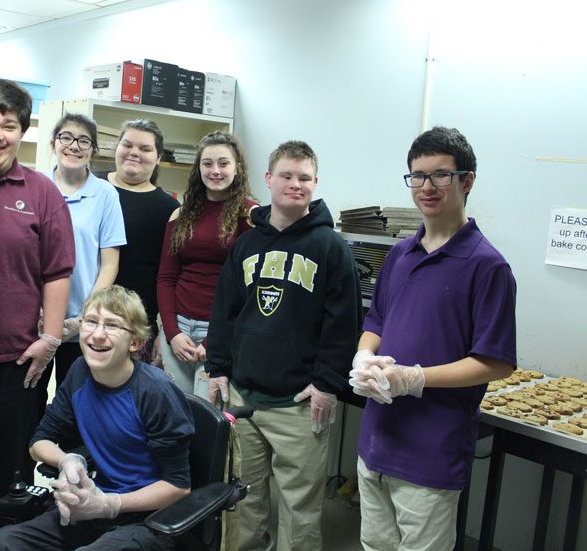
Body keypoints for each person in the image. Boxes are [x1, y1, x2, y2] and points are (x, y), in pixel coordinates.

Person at [348, 126, 516, 551]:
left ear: (467, 180)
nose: (427, 186)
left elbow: (495, 361)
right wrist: (364, 357)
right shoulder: (399, 255)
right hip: (376, 442)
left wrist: (415, 378)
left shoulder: (487, 266)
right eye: (417, 176)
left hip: (430, 454)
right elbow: (377, 319)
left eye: (440, 175)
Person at [205, 141, 360, 551]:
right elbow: (224, 311)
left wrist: (328, 384)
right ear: (269, 180)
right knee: (243, 500)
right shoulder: (246, 245)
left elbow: (343, 327)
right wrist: (217, 367)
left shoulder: (332, 248)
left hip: (299, 405)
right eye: (287, 176)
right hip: (244, 397)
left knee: (300, 509)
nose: (296, 184)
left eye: (304, 178)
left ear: (315, 183)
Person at [0, 78, 75, 546]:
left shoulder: (41, 192)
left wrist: (48, 340)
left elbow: (58, 270)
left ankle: (3, 542)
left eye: (9, 124)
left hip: (17, 359)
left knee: (7, 478)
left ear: (23, 131)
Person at [0, 285, 195, 551]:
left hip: (148, 518)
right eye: (91, 322)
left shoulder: (155, 392)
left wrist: (110, 505)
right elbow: (39, 441)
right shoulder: (80, 372)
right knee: (4, 543)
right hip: (94, 503)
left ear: (135, 342)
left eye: (112, 326)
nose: (97, 335)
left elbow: (179, 487)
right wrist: (67, 460)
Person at [157, 131, 257, 396]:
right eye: (207, 163)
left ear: (237, 168)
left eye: (223, 163)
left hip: (221, 334)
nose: (215, 170)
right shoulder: (182, 213)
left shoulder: (249, 216)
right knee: (174, 414)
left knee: (208, 421)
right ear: (198, 168)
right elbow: (166, 278)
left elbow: (250, 290)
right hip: (178, 331)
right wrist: (171, 332)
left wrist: (216, 341)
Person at [45, 112, 127, 387]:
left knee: (75, 401)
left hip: (82, 321)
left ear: (93, 150)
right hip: (36, 319)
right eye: (66, 137)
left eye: (84, 141)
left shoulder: (105, 194)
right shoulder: (36, 186)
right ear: (53, 144)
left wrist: (87, 316)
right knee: (28, 403)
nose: (74, 146)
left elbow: (109, 264)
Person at [102, 119, 180, 364]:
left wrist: (162, 331)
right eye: (127, 145)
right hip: (82, 317)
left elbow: (171, 275)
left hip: (137, 327)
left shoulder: (169, 209)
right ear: (117, 148)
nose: (134, 153)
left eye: (145, 149)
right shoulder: (92, 187)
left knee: (129, 398)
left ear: (158, 158)